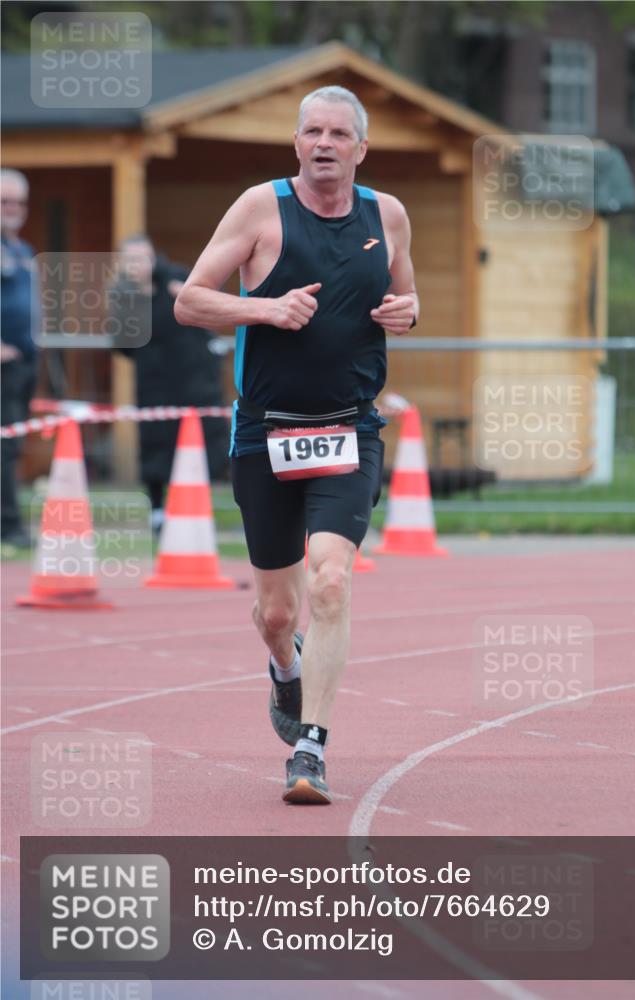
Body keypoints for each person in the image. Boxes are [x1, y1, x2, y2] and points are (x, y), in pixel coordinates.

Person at [175, 86, 418, 804]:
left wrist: (407, 312)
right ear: (296, 143)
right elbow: (189, 300)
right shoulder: (260, 207)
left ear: (359, 149)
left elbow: (404, 302)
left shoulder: (388, 214)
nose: (323, 144)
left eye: (338, 134)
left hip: (349, 426)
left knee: (332, 581)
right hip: (266, 433)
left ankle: (309, 749)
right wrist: (265, 309)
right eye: (311, 131)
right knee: (279, 613)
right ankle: (283, 665)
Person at [113, 235, 228, 531]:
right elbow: (123, 346)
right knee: (154, 445)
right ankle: (157, 509)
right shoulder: (123, 297)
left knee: (199, 445)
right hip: (153, 384)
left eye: (143, 258)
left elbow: (210, 309)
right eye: (131, 260)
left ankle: (195, 508)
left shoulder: (179, 279)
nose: (138, 265)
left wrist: (186, 296)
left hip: (195, 380)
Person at [1, 169, 39, 547]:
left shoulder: (22, 250)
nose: (12, 209)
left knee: (12, 447)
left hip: (25, 362)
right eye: (4, 202)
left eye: (17, 203)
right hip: (4, 365)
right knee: (4, 446)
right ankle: (8, 526)